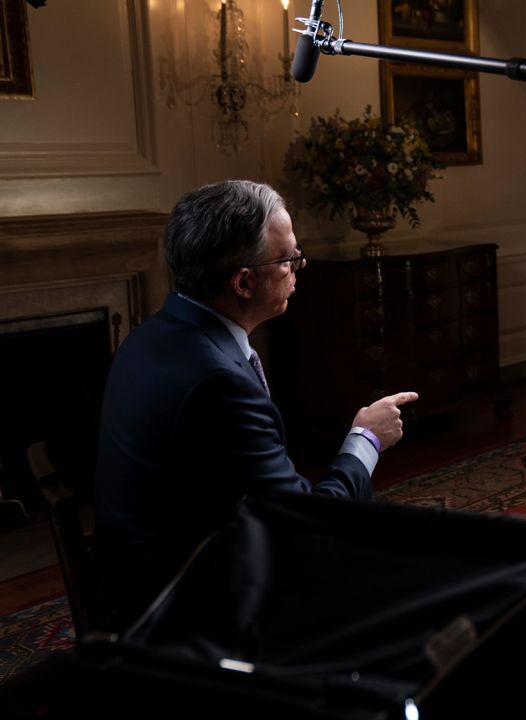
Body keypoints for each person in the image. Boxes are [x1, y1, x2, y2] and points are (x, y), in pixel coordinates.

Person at [95, 180, 418, 626]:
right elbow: (306, 523)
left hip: (136, 571)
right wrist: (366, 438)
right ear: (244, 282)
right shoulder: (219, 382)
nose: (299, 266)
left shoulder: (147, 337)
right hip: (186, 607)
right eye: (287, 259)